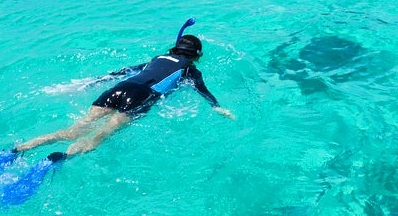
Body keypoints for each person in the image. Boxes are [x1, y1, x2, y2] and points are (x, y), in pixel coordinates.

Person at [13, 34, 234, 162]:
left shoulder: (157, 58)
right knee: (100, 135)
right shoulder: (189, 69)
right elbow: (202, 90)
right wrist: (217, 107)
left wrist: (94, 82)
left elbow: (125, 71)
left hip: (120, 88)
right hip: (141, 95)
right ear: (196, 56)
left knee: (73, 131)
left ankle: (20, 149)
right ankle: (62, 157)